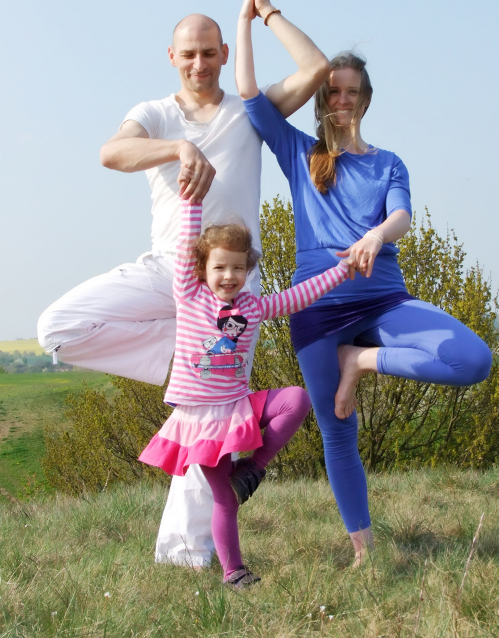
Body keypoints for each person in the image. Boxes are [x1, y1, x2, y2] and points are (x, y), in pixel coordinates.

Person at [36, 1, 330, 567]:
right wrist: (177, 147)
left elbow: (314, 68)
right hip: (167, 275)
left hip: (232, 293)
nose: (200, 63)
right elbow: (111, 152)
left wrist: (264, 12)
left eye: (210, 52)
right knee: (58, 327)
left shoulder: (249, 111)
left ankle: (187, 554)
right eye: (188, 54)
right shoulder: (155, 112)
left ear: (224, 54)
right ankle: (175, 361)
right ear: (173, 58)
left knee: (215, 424)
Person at [236, 0, 493, 566]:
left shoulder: (389, 163)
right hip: (318, 308)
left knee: (472, 360)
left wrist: (378, 233)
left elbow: (402, 217)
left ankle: (362, 359)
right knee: (338, 435)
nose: (341, 98)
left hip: (385, 299)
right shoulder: (299, 151)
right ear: (322, 98)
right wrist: (256, 15)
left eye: (352, 91)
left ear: (367, 100)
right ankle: (364, 552)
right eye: (333, 91)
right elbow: (248, 92)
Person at [138, 196, 350, 586]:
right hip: (201, 420)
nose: (229, 275)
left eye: (238, 267)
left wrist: (342, 271)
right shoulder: (189, 295)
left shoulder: (251, 307)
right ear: (203, 268)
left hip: (237, 406)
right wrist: (193, 200)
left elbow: (298, 297)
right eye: (219, 266)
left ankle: (251, 469)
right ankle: (233, 571)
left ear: (248, 269)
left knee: (297, 400)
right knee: (224, 499)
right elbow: (188, 243)